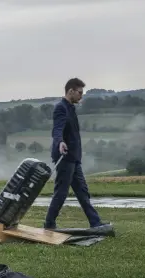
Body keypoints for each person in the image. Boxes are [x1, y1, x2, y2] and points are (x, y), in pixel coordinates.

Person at [44, 78, 110, 230]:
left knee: (82, 191)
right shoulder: (61, 108)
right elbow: (57, 129)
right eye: (79, 93)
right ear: (70, 91)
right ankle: (49, 224)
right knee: (61, 193)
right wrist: (60, 142)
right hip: (65, 157)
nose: (81, 96)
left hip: (74, 158)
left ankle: (95, 222)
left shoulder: (71, 108)